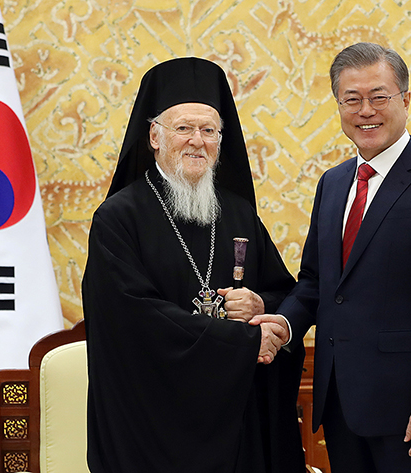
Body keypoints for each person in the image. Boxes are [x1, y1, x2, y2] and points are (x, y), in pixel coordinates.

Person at [252, 42, 411, 472]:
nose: (365, 110)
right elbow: (317, 284)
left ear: (406, 100)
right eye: (352, 99)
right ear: (338, 105)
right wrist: (282, 325)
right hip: (342, 405)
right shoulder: (334, 184)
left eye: (379, 97)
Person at [82, 57, 306, 473]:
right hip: (152, 427)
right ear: (154, 135)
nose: (197, 141)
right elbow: (132, 318)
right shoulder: (118, 217)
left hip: (236, 420)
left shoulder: (238, 214)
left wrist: (261, 306)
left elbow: (284, 291)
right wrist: (241, 344)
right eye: (183, 127)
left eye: (209, 130)